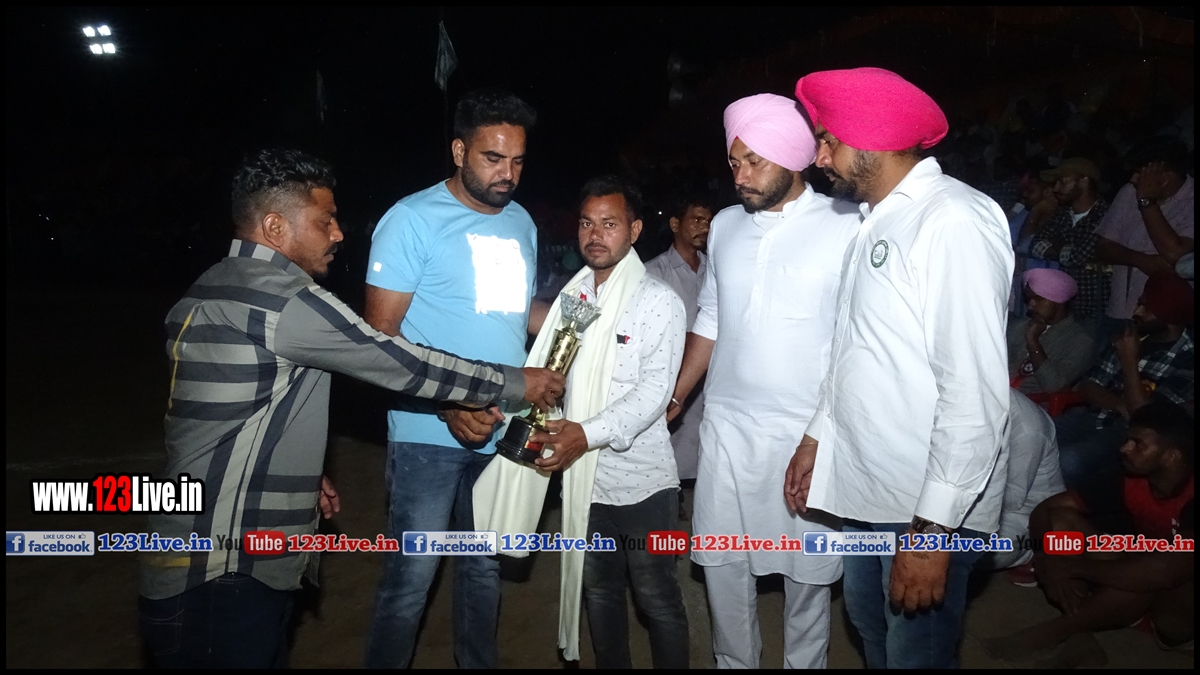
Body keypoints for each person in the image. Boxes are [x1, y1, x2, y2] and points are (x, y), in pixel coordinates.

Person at [137, 149, 563, 669]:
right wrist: (514, 381)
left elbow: (226, 409)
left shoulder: (210, 287)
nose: (338, 233)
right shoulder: (282, 299)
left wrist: (294, 468)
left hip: (186, 555)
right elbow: (394, 360)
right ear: (275, 227)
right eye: (325, 220)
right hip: (224, 570)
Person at [785, 67, 1014, 669]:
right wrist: (816, 436)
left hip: (924, 505)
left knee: (917, 654)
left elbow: (974, 391)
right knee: (871, 628)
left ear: (874, 139)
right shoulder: (875, 220)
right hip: (869, 487)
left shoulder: (952, 220)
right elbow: (856, 350)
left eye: (828, 141)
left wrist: (932, 532)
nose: (819, 157)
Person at [667, 93, 860, 668]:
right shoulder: (726, 227)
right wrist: (677, 394)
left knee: (808, 575)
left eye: (754, 161)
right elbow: (711, 317)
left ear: (795, 157)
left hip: (807, 434)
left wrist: (822, 432)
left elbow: (855, 340)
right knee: (723, 563)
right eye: (734, 162)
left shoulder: (847, 224)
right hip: (727, 429)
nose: (740, 176)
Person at [362, 89, 543, 669]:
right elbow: (380, 339)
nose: (507, 174)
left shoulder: (522, 222)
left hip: (503, 429)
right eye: (493, 158)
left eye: (517, 161)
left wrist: (594, 314)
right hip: (428, 434)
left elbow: (513, 312)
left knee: (483, 570)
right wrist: (447, 405)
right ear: (460, 151)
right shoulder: (411, 219)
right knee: (411, 579)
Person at [523, 176, 690, 668]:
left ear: (634, 230)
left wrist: (584, 434)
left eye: (609, 224)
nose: (595, 235)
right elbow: (555, 371)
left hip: (644, 485)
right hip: (584, 483)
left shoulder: (659, 300)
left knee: (657, 599)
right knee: (599, 592)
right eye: (586, 223)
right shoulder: (574, 298)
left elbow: (653, 395)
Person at [985, 402, 1194, 668]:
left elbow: (1165, 572)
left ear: (1171, 456)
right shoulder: (1132, 478)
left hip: (1177, 607)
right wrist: (1046, 556)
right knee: (1061, 523)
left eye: (1138, 444)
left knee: (1144, 576)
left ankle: (1050, 633)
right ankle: (1081, 638)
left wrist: (1071, 568)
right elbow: (1047, 510)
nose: (1125, 448)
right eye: (1128, 440)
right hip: (1143, 570)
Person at [1059, 272, 1195, 490]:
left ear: (1168, 315)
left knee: (1070, 461)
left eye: (1145, 307)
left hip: (1134, 437)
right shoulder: (1132, 334)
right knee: (1031, 437)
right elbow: (1088, 385)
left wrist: (1129, 360)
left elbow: (1146, 416)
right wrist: (1120, 405)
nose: (1136, 312)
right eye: (1138, 304)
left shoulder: (1188, 358)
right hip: (1095, 416)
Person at [644, 194, 712, 497]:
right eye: (696, 220)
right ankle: (667, 496)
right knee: (668, 436)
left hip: (710, 373)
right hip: (671, 372)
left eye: (708, 221)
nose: (704, 227)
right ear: (675, 224)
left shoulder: (716, 269)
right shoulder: (654, 272)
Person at [1095, 137, 1194, 322]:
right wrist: (1141, 260)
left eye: (1140, 173)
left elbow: (1175, 253)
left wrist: (1147, 202)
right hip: (1119, 310)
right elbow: (1103, 246)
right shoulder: (1128, 192)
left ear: (1165, 177)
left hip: (1164, 319)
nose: (1133, 179)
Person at [978, 390, 1065, 581]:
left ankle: (1030, 552)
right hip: (988, 499)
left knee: (969, 551)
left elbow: (1014, 499)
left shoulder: (1028, 429)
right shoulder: (981, 402)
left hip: (1027, 512)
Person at [1029, 157, 1112, 322]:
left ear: (1084, 181)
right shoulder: (1063, 214)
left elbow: (1077, 256)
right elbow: (1035, 246)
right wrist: (1066, 249)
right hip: (1066, 311)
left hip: (1095, 307)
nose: (1056, 188)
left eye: (1063, 181)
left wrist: (1057, 245)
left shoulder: (1105, 214)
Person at [1007, 268, 1096, 394]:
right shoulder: (1018, 326)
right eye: (1029, 300)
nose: (1031, 305)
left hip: (1032, 401)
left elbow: (1053, 385)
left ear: (1058, 301)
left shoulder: (1080, 341)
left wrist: (1033, 342)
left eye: (1038, 299)